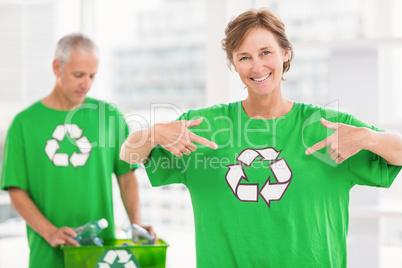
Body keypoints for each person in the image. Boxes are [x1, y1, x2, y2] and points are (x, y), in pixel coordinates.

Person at [120, 8, 402, 268]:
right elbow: (127, 154)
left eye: (266, 52)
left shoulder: (329, 128)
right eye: (244, 57)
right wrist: (154, 133)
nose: (257, 67)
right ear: (234, 64)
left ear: (285, 53)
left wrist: (369, 138)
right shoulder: (204, 126)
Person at [0, 33, 154, 268]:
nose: (86, 84)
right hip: (47, 257)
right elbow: (16, 189)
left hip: (101, 256)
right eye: (78, 75)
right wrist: (50, 232)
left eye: (92, 76)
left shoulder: (110, 117)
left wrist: (136, 224)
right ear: (56, 67)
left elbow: (126, 176)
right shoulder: (24, 124)